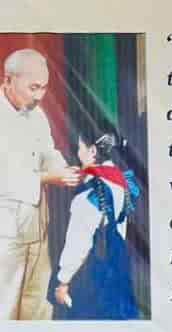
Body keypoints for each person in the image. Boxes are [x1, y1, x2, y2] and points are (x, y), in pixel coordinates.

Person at [0, 47, 79, 322]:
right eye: (33, 87)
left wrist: (63, 169)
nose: (39, 96)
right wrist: (51, 178)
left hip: (35, 229)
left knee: (37, 308)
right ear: (8, 80)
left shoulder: (35, 115)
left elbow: (48, 152)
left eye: (44, 88)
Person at [50, 129, 141, 321]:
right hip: (118, 265)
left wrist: (63, 282)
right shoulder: (121, 181)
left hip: (92, 275)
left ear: (92, 151)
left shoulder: (87, 197)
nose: (78, 153)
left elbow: (78, 246)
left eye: (80, 147)